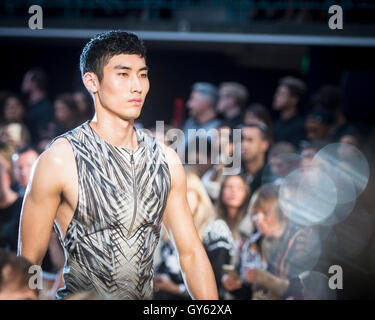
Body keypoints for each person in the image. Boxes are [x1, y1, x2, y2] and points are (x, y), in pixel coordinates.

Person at [18, 31, 218, 300]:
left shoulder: (165, 159)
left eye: (143, 74)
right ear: (92, 81)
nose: (136, 86)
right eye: (123, 74)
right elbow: (28, 263)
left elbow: (191, 253)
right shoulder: (59, 159)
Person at [154, 171, 233, 300]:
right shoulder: (165, 228)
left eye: (188, 190)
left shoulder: (216, 228)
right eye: (173, 192)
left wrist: (176, 289)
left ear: (199, 195)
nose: (182, 197)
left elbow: (218, 283)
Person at [182, 82, 221, 150]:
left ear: (206, 102)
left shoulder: (220, 129)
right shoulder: (189, 123)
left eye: (192, 99)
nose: (188, 104)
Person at [21, 67, 54, 143]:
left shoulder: (45, 107)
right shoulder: (29, 106)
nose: (23, 84)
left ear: (34, 83)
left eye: (26, 80)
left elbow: (45, 133)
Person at [272, 76, 306, 148]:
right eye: (277, 93)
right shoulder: (276, 123)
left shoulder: (299, 126)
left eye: (282, 94)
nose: (276, 96)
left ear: (294, 100)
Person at [215, 174, 251, 243]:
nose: (234, 191)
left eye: (239, 188)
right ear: (221, 191)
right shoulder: (212, 220)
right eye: (229, 187)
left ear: (246, 193)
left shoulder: (250, 223)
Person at [240, 122, 271, 196]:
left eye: (250, 140)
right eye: (241, 139)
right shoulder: (235, 173)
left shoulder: (271, 177)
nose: (243, 144)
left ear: (264, 145)